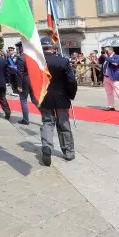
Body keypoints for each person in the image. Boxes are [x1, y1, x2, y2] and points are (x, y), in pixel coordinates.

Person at [38, 37, 77, 166]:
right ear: (52, 47)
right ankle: (68, 152)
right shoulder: (63, 61)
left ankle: (47, 146)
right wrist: (71, 95)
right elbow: (71, 80)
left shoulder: (38, 62)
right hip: (61, 96)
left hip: (45, 96)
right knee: (64, 125)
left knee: (47, 123)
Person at [16, 46, 38, 124]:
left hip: (25, 80)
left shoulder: (21, 58)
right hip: (33, 79)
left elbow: (20, 73)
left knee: (23, 100)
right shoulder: (33, 57)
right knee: (35, 100)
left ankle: (25, 119)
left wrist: (19, 85)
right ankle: (47, 116)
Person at [102, 47, 119, 113]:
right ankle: (111, 106)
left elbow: (116, 63)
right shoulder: (106, 57)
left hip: (114, 77)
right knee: (109, 93)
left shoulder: (117, 56)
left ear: (111, 50)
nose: (105, 52)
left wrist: (107, 58)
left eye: (106, 50)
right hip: (106, 77)